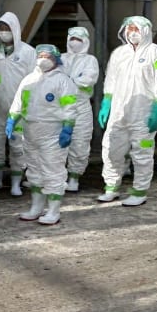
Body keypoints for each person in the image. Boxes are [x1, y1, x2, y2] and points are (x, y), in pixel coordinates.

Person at [97, 16, 157, 206]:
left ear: (146, 30)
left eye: (136, 29)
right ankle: (111, 187)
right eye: (129, 29)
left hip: (144, 113)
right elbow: (111, 79)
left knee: (142, 153)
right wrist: (106, 102)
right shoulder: (118, 53)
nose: (132, 32)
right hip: (118, 111)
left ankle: (139, 191)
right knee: (111, 149)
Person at [6, 44, 77, 224]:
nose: (43, 59)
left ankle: (53, 211)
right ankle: (36, 207)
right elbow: (18, 102)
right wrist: (12, 119)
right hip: (31, 133)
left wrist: (68, 127)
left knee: (53, 171)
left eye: (48, 56)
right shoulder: (29, 79)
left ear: (56, 59)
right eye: (41, 55)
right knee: (34, 170)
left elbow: (70, 107)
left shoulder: (63, 81)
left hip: (53, 133)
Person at [0, 13, 36, 196]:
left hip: (19, 108)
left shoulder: (28, 52)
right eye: (1, 29)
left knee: (18, 146)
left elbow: (33, 80)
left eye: (7, 29)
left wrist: (27, 105)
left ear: (15, 29)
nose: (4, 33)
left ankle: (16, 181)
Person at [59, 27, 99, 192]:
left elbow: (88, 80)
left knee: (80, 142)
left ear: (86, 42)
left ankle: (74, 177)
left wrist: (67, 80)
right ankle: (57, 177)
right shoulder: (60, 58)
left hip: (81, 107)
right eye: (72, 39)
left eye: (79, 39)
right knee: (57, 144)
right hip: (60, 107)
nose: (75, 42)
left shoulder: (90, 60)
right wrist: (73, 80)